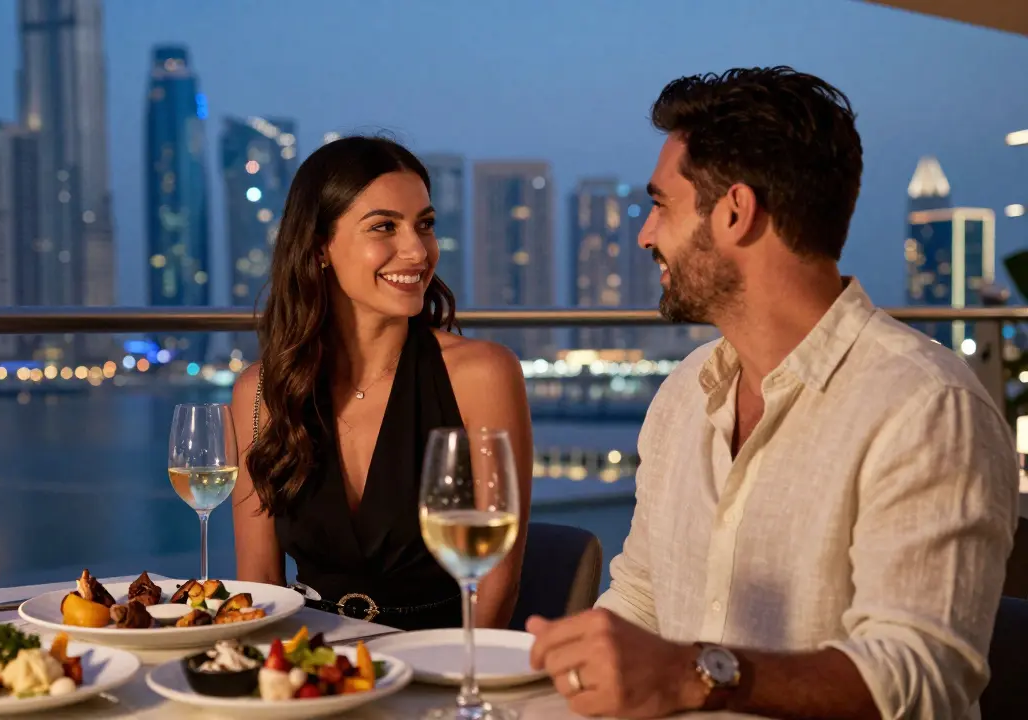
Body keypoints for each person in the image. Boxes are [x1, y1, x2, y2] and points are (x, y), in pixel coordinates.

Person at [527, 66, 1019, 719]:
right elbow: (641, 598)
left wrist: (692, 676)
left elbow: (921, 678)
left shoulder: (925, 406)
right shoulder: (682, 395)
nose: (646, 235)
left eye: (660, 205)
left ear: (735, 212)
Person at [229, 136, 534, 631]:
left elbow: (497, 582)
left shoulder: (484, 374)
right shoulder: (260, 392)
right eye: (384, 227)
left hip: (440, 666)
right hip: (313, 669)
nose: (417, 250)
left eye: (426, 225)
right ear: (320, 246)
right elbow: (260, 581)